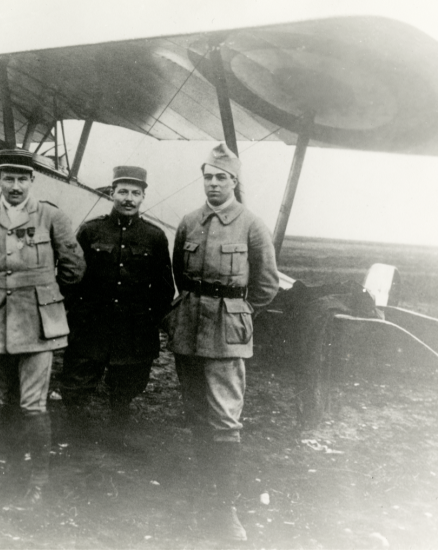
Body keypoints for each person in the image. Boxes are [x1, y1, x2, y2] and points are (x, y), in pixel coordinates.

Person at [163, 143, 280, 541]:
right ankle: (204, 491)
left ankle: (225, 509)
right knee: (195, 412)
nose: (213, 184)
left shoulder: (251, 224)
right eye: (208, 177)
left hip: (226, 333)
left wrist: (238, 315)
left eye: (221, 178)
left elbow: (265, 285)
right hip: (189, 327)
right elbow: (181, 271)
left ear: (234, 181)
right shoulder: (189, 222)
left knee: (225, 419)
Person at [0, 149, 84, 507]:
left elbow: (74, 267)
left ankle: (38, 481)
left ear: (32, 181)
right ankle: (14, 470)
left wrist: (44, 295)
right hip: (0, 323)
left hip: (37, 326)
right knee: (7, 400)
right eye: (8, 178)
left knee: (33, 405)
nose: (15, 186)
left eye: (22, 179)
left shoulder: (50, 216)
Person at [60, 166, 173, 449]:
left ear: (143, 197)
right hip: (91, 324)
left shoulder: (154, 237)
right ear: (112, 193)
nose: (128, 198)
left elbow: (164, 288)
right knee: (76, 384)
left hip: (132, 328)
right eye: (123, 191)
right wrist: (75, 316)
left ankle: (117, 433)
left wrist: (150, 321)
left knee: (127, 385)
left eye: (136, 193)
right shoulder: (90, 230)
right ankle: (76, 436)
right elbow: (70, 277)